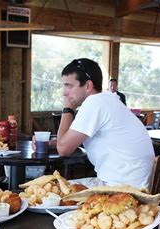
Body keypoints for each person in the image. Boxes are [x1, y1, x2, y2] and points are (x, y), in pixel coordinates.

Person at [51, 58, 154, 188]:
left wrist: (67, 109)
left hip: (121, 189)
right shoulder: (109, 100)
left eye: (69, 86)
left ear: (88, 85)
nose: (64, 93)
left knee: (55, 189)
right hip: (133, 183)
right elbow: (73, 140)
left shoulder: (94, 103)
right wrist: (50, 143)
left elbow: (63, 149)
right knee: (58, 188)